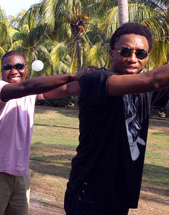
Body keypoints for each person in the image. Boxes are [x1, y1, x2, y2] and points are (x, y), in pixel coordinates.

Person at [64, 23, 169, 214]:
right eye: (125, 51)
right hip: (89, 194)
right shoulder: (96, 79)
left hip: (120, 193)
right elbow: (156, 79)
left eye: (141, 54)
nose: (133, 59)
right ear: (112, 53)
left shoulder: (145, 90)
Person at [0, 51, 79, 215]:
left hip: (20, 172)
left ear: (26, 69)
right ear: (1, 70)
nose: (13, 71)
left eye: (19, 66)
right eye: (7, 67)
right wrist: (73, 75)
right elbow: (27, 86)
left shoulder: (31, 92)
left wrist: (98, 77)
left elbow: (68, 89)